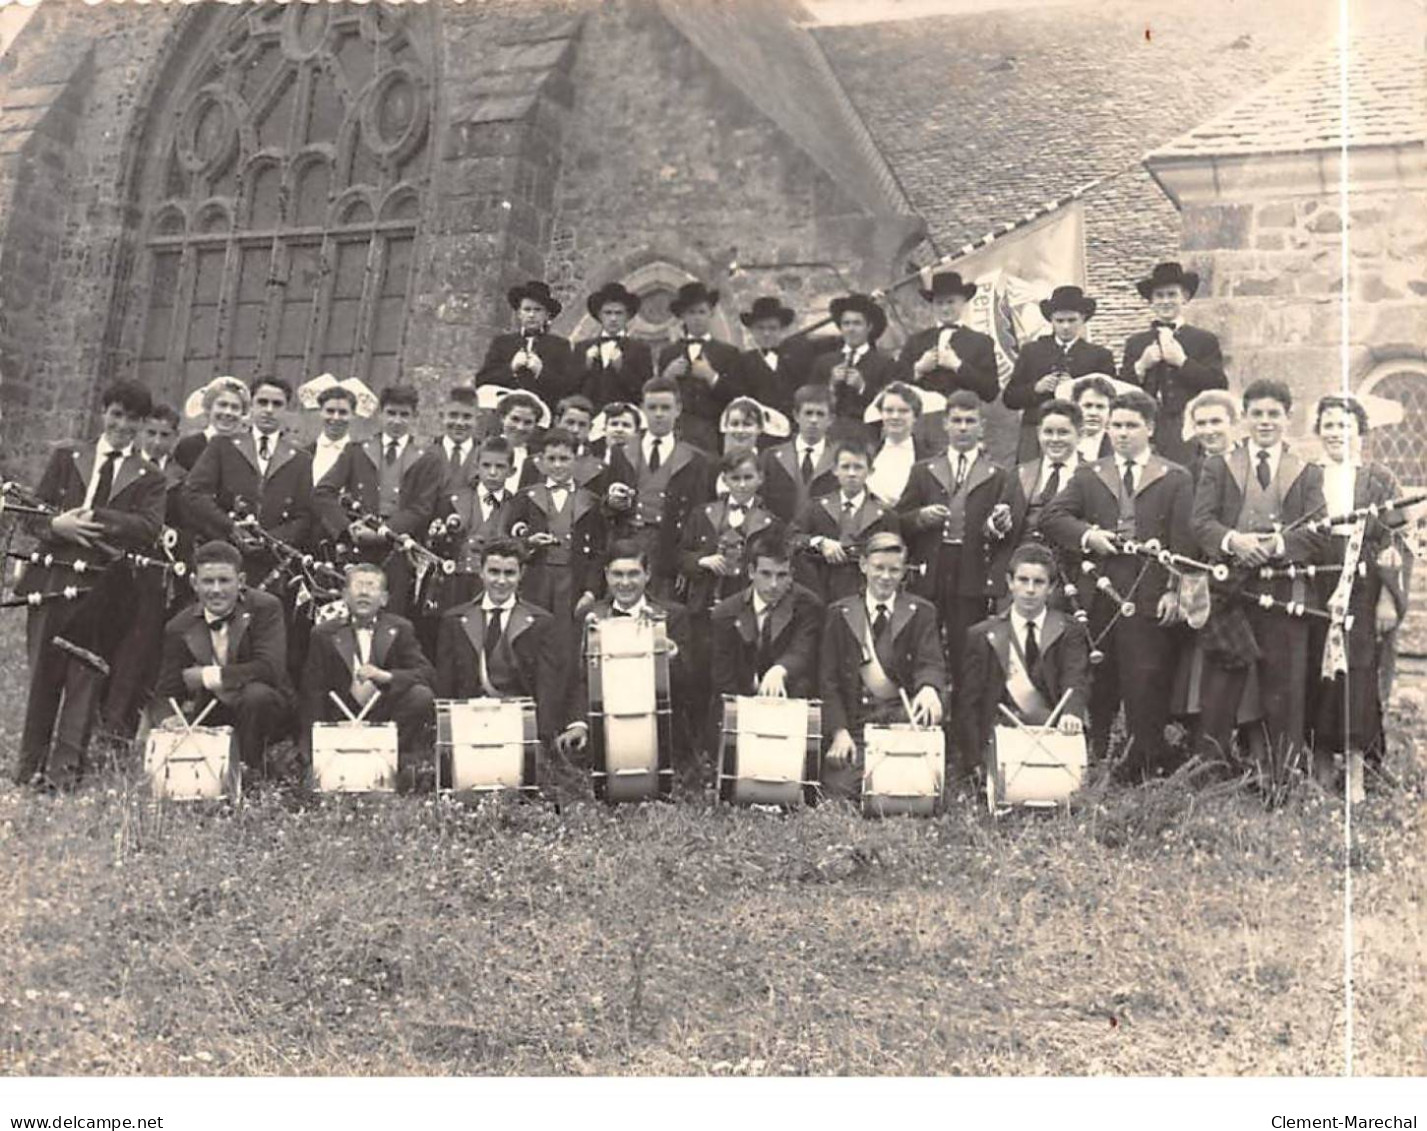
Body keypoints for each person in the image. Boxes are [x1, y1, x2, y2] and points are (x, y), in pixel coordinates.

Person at [15, 380, 167, 789]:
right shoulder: (68, 457)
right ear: (103, 413)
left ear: (141, 424)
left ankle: (65, 774)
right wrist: (56, 525)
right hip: (51, 579)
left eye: (131, 419)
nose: (121, 425)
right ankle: (29, 767)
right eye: (115, 414)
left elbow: (150, 527)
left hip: (102, 591)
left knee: (85, 675)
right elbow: (32, 512)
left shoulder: (149, 476)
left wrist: (94, 518)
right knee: (43, 674)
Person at [1041, 390, 1195, 779]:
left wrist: (1175, 592)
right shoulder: (1090, 474)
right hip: (1099, 593)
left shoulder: (1174, 476)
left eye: (1131, 426)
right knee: (1100, 677)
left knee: (1146, 678)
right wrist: (1088, 535)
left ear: (1150, 428)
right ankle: (1094, 757)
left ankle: (1143, 763)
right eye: (1116, 426)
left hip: (1149, 593)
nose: (1122, 434)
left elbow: (1183, 542)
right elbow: (1052, 516)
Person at [1191, 379, 1328, 776]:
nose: (1265, 422)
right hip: (1230, 590)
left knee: (1283, 684)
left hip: (1285, 589)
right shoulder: (1217, 466)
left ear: (1288, 418)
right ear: (1244, 418)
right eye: (1257, 414)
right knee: (1220, 685)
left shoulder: (1307, 472)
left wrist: (1275, 546)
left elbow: (1318, 531)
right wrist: (1233, 541)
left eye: (1273, 414)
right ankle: (1211, 777)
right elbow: (1201, 522)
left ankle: (1280, 777)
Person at [1306, 394, 1410, 793]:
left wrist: (1387, 597)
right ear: (1318, 431)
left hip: (1364, 585)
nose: (1336, 432)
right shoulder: (1308, 476)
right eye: (1329, 424)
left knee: (1358, 670)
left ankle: (1356, 770)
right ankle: (1319, 768)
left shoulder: (1379, 479)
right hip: (1317, 579)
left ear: (1360, 431)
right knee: (1319, 666)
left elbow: (1398, 540)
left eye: (1345, 424)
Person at [553, 539, 695, 789]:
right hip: (605, 721)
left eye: (633, 574)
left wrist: (671, 654)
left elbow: (689, 683)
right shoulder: (590, 617)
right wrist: (579, 723)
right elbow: (579, 677)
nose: (625, 583)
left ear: (647, 575)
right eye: (617, 574)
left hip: (655, 723)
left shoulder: (673, 616)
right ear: (606, 575)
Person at [152, 540, 295, 783]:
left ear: (240, 581)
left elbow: (269, 668)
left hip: (268, 710)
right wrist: (168, 716)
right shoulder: (179, 626)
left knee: (255, 695)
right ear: (194, 583)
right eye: (208, 581)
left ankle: (252, 774)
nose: (216, 590)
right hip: (212, 713)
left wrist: (207, 676)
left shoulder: (265, 607)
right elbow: (166, 689)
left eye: (224, 580)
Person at [895, 390, 1006, 703]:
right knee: (919, 647)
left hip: (971, 572)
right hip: (930, 569)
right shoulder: (923, 470)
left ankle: (963, 738)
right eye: (956, 420)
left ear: (981, 426)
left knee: (965, 654)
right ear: (945, 424)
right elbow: (899, 520)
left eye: (970, 421)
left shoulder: (997, 475)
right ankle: (916, 721)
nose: (962, 427)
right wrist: (920, 517)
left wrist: (996, 527)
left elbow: (1002, 533)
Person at [819, 531, 946, 796]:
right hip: (857, 723)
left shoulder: (922, 612)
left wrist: (929, 688)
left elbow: (930, 661)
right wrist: (838, 731)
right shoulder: (839, 613)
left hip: (902, 721)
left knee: (913, 788)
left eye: (894, 570)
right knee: (839, 787)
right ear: (863, 565)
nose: (886, 577)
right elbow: (827, 681)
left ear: (904, 572)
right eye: (878, 568)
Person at [300, 563, 436, 791]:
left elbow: (426, 673)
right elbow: (312, 690)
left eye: (371, 587)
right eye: (357, 586)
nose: (363, 593)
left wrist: (387, 676)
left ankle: (392, 761)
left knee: (421, 695)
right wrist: (311, 752)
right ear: (344, 595)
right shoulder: (323, 634)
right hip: (340, 716)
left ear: (384, 598)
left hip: (385, 715)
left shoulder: (401, 628)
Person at [101, 401, 188, 740]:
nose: (155, 442)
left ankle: (119, 724)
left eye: (164, 435)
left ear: (176, 438)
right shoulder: (126, 469)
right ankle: (95, 714)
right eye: (150, 433)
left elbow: (188, 523)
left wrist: (176, 537)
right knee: (106, 639)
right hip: (115, 566)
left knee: (138, 651)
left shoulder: (182, 478)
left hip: (156, 575)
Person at [959, 542, 1090, 761]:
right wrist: (975, 763)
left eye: (1039, 582)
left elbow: (1075, 677)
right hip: (1000, 738)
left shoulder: (1069, 630)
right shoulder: (981, 635)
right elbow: (970, 704)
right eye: (1023, 580)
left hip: (1053, 735)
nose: (1030, 590)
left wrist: (1072, 712)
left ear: (1051, 587)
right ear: (1010, 582)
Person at [182, 376, 316, 584]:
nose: (269, 410)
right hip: (223, 556)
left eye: (277, 404)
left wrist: (271, 540)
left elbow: (304, 515)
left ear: (287, 411)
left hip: (272, 564)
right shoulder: (222, 446)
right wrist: (230, 527)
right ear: (251, 406)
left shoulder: (300, 459)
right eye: (262, 402)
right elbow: (194, 494)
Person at [435, 538, 564, 746]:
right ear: (481, 572)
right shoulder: (455, 620)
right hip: (469, 719)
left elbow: (547, 685)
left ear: (521, 574)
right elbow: (445, 682)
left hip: (518, 721)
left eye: (509, 573)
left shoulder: (541, 622)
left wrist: (542, 738)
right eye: (494, 572)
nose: (501, 581)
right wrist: (445, 735)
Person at [504, 427, 606, 683]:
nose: (557, 465)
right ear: (541, 460)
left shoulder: (590, 500)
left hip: (572, 581)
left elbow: (598, 551)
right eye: (551, 459)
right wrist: (528, 543)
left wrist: (591, 590)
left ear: (576, 458)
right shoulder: (527, 496)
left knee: (566, 648)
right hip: (536, 579)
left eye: (564, 459)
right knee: (533, 640)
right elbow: (508, 537)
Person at [605, 375, 713, 598]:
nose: (659, 414)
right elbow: (606, 507)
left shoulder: (695, 459)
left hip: (668, 549)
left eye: (666, 407)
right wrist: (612, 503)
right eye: (652, 407)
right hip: (628, 546)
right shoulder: (621, 452)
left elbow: (698, 515)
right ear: (643, 408)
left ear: (678, 409)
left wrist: (686, 562)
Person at [1119, 262, 1227, 465]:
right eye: (1159, 296)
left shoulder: (1204, 340)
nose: (1165, 301)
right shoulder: (1136, 343)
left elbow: (1219, 385)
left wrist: (1182, 362)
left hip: (1187, 428)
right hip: (1145, 427)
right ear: (1151, 300)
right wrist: (1141, 365)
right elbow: (1121, 390)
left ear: (1184, 297)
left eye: (1172, 295)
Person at [1002, 285, 1115, 462]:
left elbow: (1110, 400)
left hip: (1081, 435)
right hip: (1036, 433)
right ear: (1051, 320)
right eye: (1059, 321)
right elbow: (1009, 398)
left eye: (1072, 320)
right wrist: (1035, 388)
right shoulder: (1031, 352)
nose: (1065, 327)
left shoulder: (1099, 356)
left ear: (1083, 319)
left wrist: (1077, 388)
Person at [710, 531, 823, 702]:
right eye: (766, 574)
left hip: (792, 702)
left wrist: (780, 670)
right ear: (751, 572)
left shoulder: (808, 606)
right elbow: (723, 679)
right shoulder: (725, 613)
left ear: (791, 574)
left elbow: (803, 651)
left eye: (782, 575)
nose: (773, 585)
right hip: (741, 704)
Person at [987, 399, 1085, 588]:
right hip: (1019, 573)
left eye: (1063, 432)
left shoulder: (1090, 474)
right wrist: (997, 524)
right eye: (1048, 432)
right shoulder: (1020, 473)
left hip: (1068, 577)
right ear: (1038, 433)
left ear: (1079, 435)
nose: (1055, 439)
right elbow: (991, 529)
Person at [790, 439, 899, 605]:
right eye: (845, 467)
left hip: (864, 596)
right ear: (835, 470)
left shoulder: (885, 515)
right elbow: (791, 538)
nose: (851, 473)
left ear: (870, 471)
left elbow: (894, 556)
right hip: (819, 593)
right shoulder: (816, 507)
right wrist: (819, 542)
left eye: (858, 467)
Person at [680, 448, 782, 616]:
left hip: (748, 605)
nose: (742, 485)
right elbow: (680, 556)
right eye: (735, 478)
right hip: (704, 602)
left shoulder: (771, 523)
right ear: (724, 480)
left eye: (748, 477)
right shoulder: (702, 514)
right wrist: (701, 561)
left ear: (760, 478)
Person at [656, 281, 742, 454]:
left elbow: (737, 396)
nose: (697, 318)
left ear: (711, 313)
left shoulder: (728, 353)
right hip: (678, 431)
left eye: (702, 312)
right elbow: (656, 395)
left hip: (713, 432)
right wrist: (667, 377)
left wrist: (712, 377)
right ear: (683, 316)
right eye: (691, 312)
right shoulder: (669, 353)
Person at [807, 293, 895, 442]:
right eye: (846, 324)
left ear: (869, 327)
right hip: (829, 435)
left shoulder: (884, 363)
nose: (851, 329)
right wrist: (831, 386)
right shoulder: (824, 362)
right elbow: (809, 402)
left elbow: (891, 405)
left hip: (867, 435)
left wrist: (862, 387)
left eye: (857, 323)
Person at [475, 280, 577, 404]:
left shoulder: (560, 346)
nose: (531, 315)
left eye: (538, 310)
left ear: (547, 315)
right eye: (527, 310)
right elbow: (482, 380)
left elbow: (569, 388)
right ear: (519, 313)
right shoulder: (502, 343)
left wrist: (541, 372)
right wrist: (511, 368)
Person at [758, 384, 838, 523]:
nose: (813, 420)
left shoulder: (839, 459)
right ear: (796, 416)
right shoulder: (772, 457)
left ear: (830, 419)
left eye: (820, 414)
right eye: (808, 413)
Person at [573, 282, 653, 409]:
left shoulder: (640, 349)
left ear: (627, 316)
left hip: (624, 417)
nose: (613, 318)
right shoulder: (582, 348)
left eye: (618, 313)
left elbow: (645, 391)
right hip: (590, 417)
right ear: (599, 315)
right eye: (608, 313)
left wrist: (622, 369)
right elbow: (570, 388)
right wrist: (586, 366)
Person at [734, 295, 807, 419]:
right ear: (751, 330)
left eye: (772, 328)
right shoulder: (742, 362)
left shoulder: (797, 359)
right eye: (760, 328)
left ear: (782, 330)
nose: (766, 333)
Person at [866, 382, 931, 506]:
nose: (895, 416)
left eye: (903, 411)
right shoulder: (867, 453)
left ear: (915, 416)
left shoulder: (928, 459)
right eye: (889, 410)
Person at [174, 376, 250, 472]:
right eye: (222, 405)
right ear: (209, 408)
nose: (228, 412)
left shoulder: (248, 449)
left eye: (235, 407)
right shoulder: (187, 447)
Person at [493, 389, 549, 493]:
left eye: (527, 422)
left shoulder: (539, 460)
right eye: (515, 419)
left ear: (535, 426)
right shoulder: (483, 448)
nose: (520, 427)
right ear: (502, 418)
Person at [1070, 375, 1116, 463]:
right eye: (1087, 406)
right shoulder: (1059, 443)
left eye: (1100, 407)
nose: (1093, 413)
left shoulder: (1119, 449)